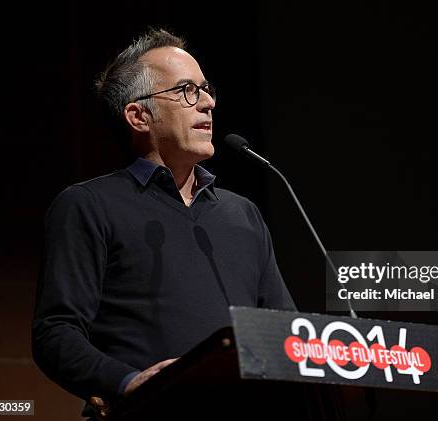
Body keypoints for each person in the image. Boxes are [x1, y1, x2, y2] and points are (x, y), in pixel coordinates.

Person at [32, 28, 295, 417]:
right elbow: (55, 333)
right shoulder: (88, 206)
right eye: (187, 90)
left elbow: (285, 332)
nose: (207, 103)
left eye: (207, 89)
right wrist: (126, 382)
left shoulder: (242, 214)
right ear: (139, 116)